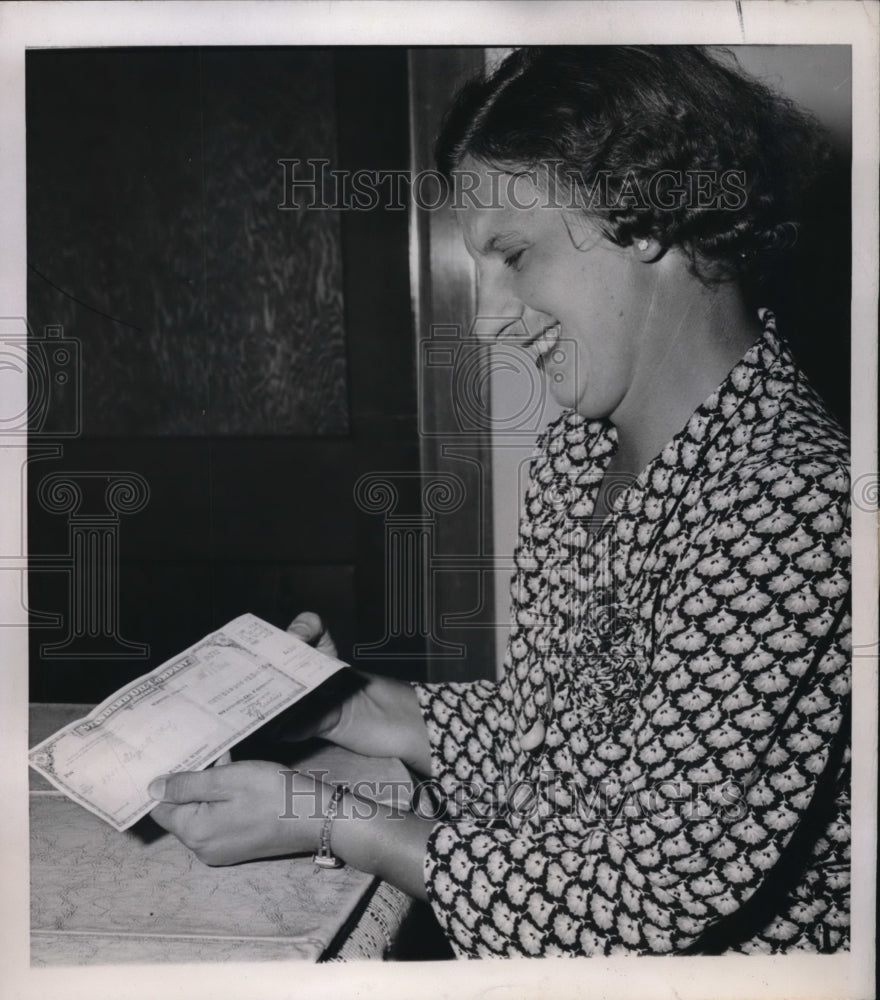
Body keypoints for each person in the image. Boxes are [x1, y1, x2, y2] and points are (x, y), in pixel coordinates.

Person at [149, 47, 850, 957]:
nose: (487, 317)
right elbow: (559, 748)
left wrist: (336, 823)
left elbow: (643, 912)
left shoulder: (792, 509)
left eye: (513, 256)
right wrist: (348, 706)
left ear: (647, 214)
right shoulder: (582, 450)